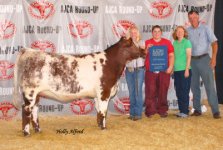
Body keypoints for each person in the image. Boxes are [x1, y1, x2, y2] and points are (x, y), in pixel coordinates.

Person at [187, 10, 221, 119]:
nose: (193, 20)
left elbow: (214, 43)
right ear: (189, 19)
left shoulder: (206, 28)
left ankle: (215, 111)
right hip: (192, 60)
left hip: (205, 59)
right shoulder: (187, 31)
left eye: (194, 17)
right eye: (191, 18)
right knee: (194, 86)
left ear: (198, 17)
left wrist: (214, 58)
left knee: (210, 86)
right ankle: (197, 109)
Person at [144, 25, 174, 118]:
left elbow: (171, 55)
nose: (157, 33)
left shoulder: (167, 42)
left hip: (164, 71)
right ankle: (150, 111)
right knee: (150, 90)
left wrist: (171, 67)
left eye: (158, 31)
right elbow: (143, 56)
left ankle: (162, 110)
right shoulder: (147, 42)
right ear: (152, 33)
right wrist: (147, 49)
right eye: (155, 31)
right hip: (150, 71)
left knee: (163, 90)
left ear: (161, 32)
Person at [125, 26, 145, 121]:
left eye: (135, 32)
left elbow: (143, 54)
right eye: (131, 32)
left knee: (138, 92)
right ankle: (132, 113)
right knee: (131, 91)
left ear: (137, 33)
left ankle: (138, 113)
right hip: (129, 69)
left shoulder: (142, 43)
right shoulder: (126, 44)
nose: (133, 34)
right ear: (129, 34)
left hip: (139, 69)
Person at [172, 26, 192, 118]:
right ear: (176, 33)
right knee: (178, 91)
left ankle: (185, 111)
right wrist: (172, 68)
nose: (179, 33)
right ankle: (181, 110)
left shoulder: (187, 42)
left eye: (181, 31)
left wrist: (187, 69)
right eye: (178, 31)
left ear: (184, 33)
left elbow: (189, 56)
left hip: (185, 70)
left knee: (184, 91)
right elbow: (173, 57)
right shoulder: (174, 43)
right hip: (176, 70)